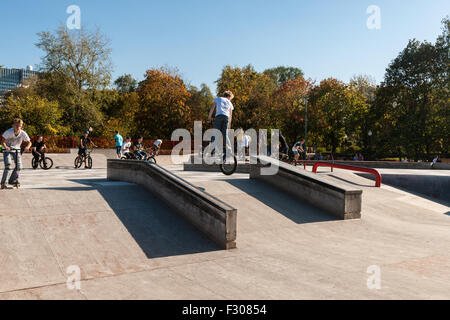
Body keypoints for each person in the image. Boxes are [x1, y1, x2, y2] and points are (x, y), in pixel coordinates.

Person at [1, 119, 32, 189]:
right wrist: (6, 147)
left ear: (21, 126)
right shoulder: (8, 132)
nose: (18, 127)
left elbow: (29, 142)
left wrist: (27, 147)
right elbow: (2, 141)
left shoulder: (23, 133)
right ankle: (3, 183)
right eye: (16, 125)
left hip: (16, 149)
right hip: (7, 149)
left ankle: (12, 180)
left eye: (19, 126)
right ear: (13, 126)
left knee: (19, 166)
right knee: (8, 165)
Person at [207, 91, 234, 160]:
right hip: (226, 118)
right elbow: (230, 115)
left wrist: (209, 117)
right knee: (225, 134)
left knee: (216, 133)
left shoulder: (218, 99)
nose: (230, 99)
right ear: (228, 96)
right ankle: (230, 151)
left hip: (219, 116)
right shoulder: (229, 102)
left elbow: (212, 107)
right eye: (230, 98)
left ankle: (212, 150)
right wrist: (229, 125)